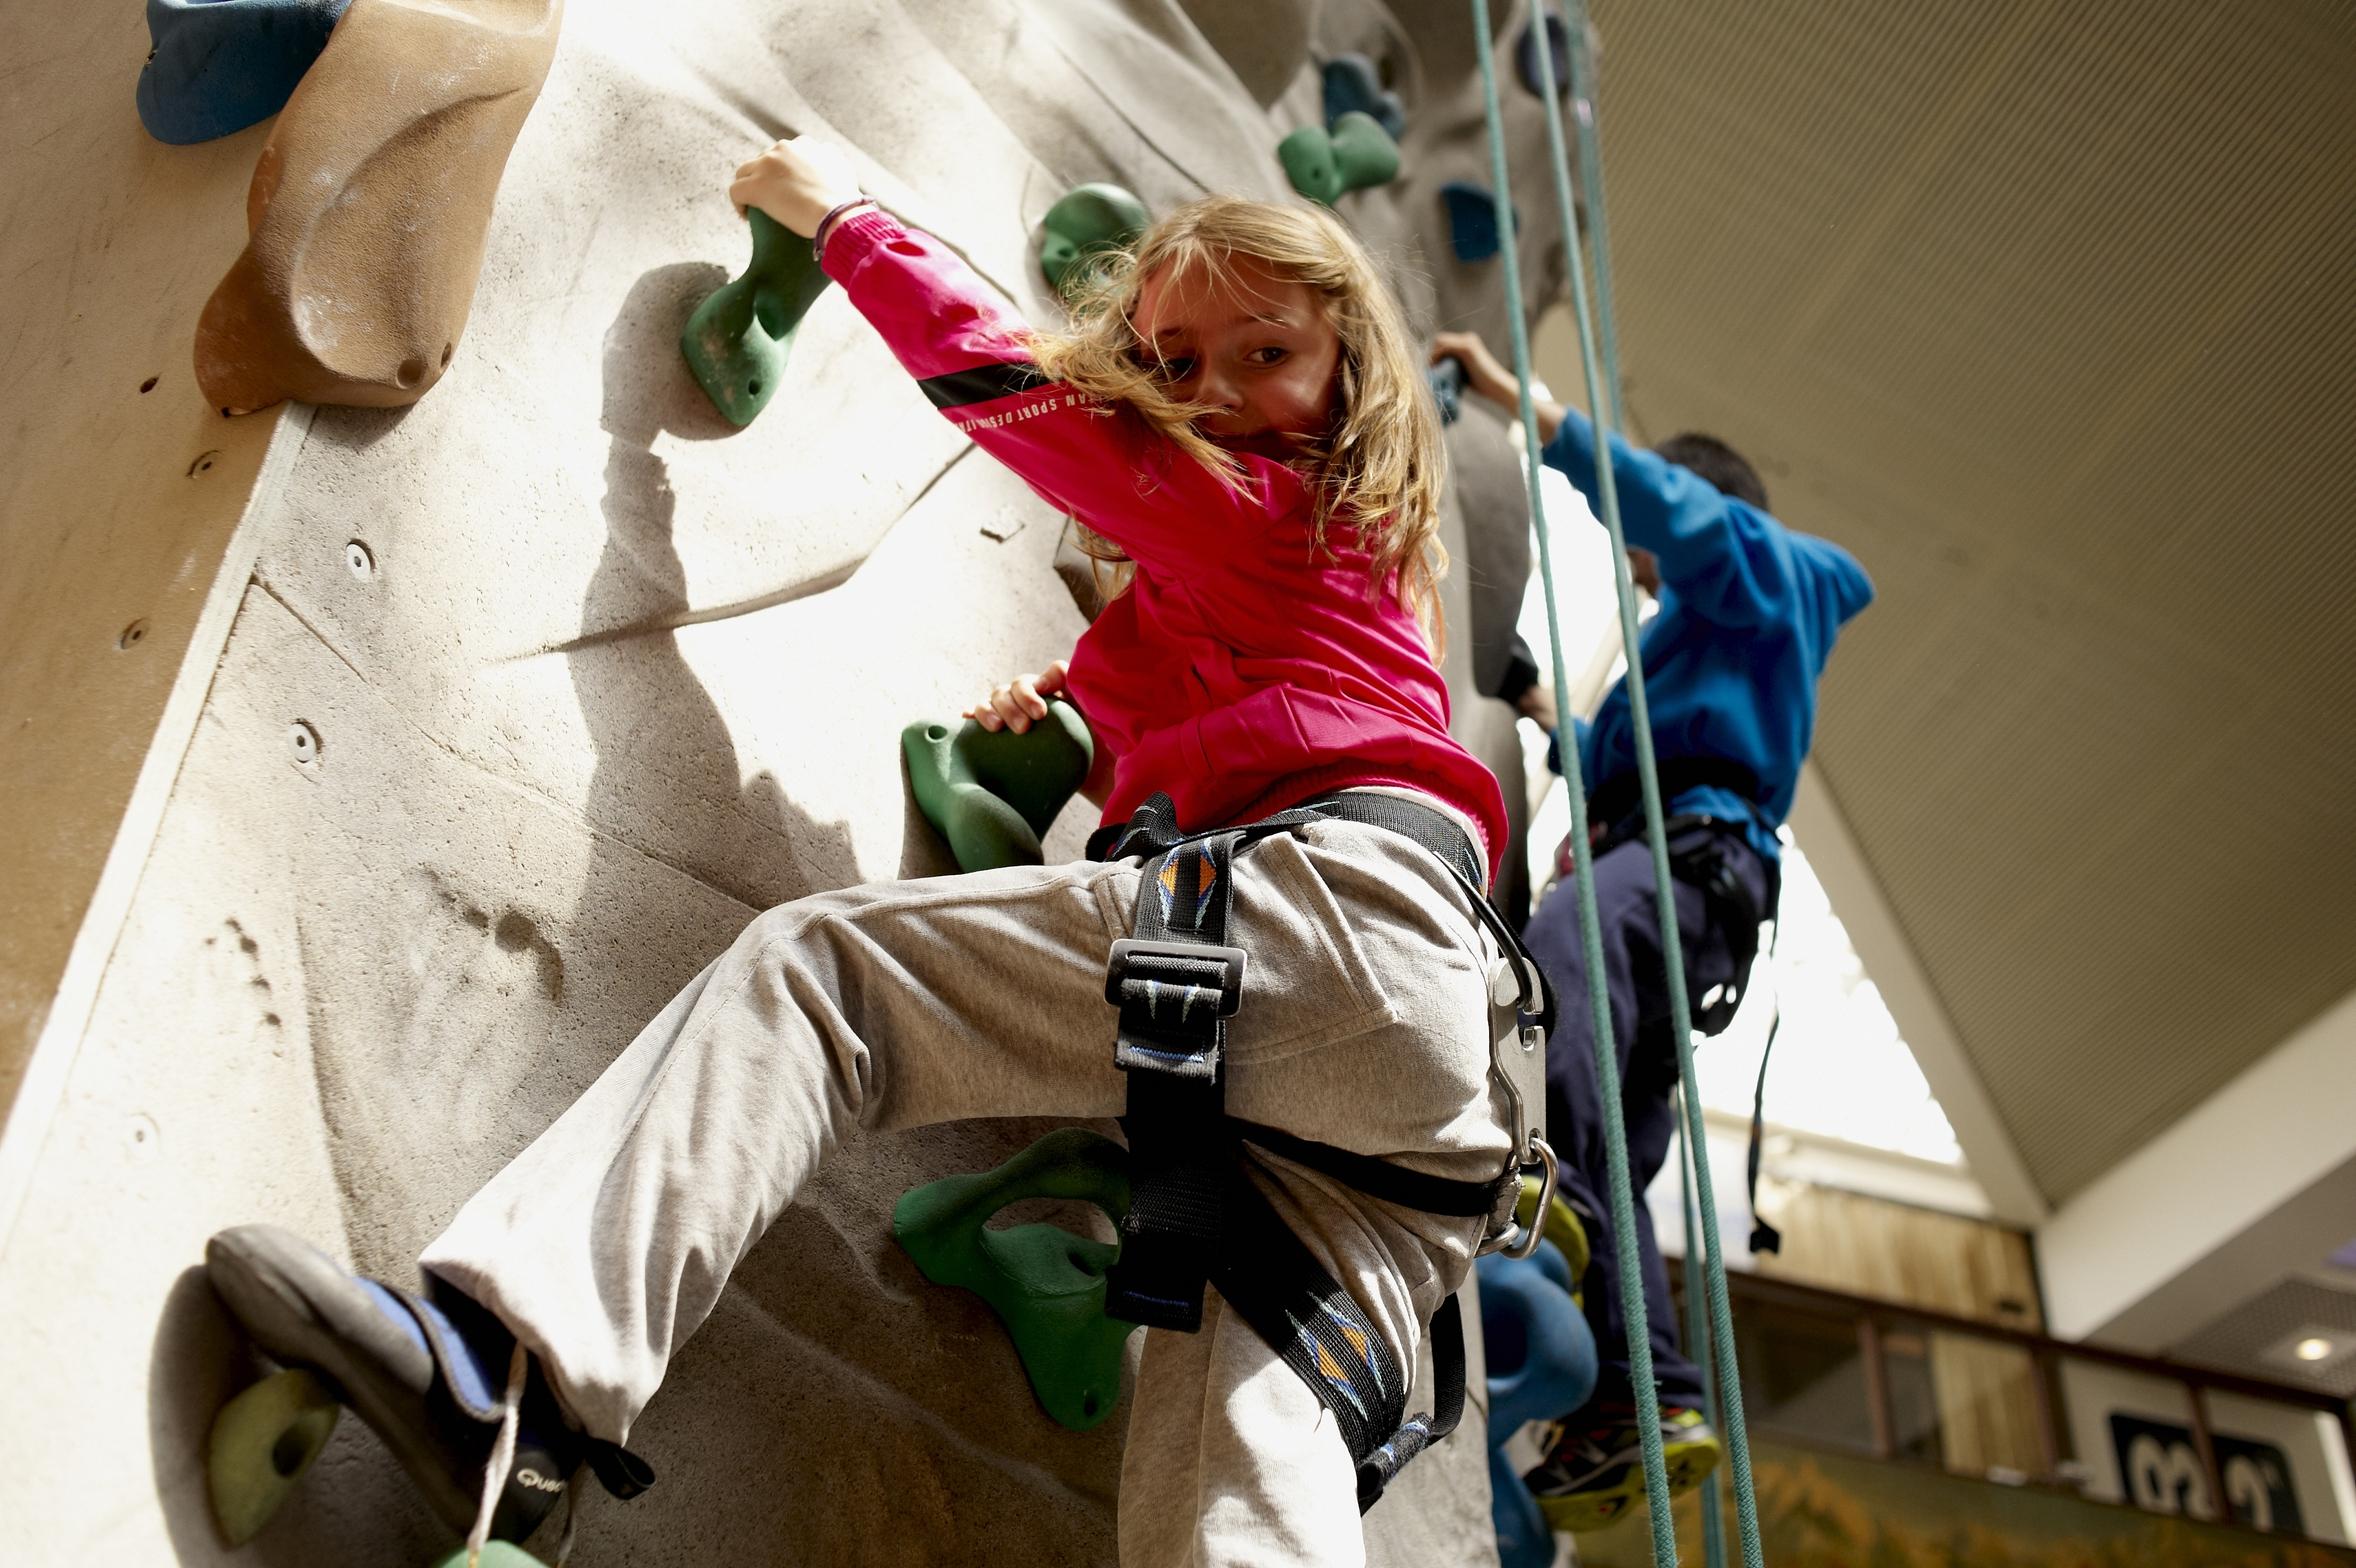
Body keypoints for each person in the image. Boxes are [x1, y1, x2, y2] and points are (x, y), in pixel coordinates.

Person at [201, 137, 1550, 1568]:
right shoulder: (1302, 571)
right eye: (1170, 362)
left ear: (1354, 375)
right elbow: (1184, 659)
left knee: (828, 979)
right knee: (1242, 1494)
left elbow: (1040, 410)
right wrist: (1077, 696)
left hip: (1332, 932)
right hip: (1408, 1109)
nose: (1211, 391)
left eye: (1264, 349)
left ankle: (507, 1379)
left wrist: (845, 222)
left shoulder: (1293, 505)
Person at [1430, 330, 1874, 1531]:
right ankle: (1647, 1393)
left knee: (1558, 970)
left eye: (1643, 558)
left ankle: (1542, 1198)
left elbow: (1681, 519)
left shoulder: (1766, 571)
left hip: (1685, 866)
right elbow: (1627, 762)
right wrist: (1528, 702)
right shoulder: (1703, 639)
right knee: (1625, 1139)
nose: (1640, 577)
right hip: (1684, 877)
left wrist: (1538, 416)